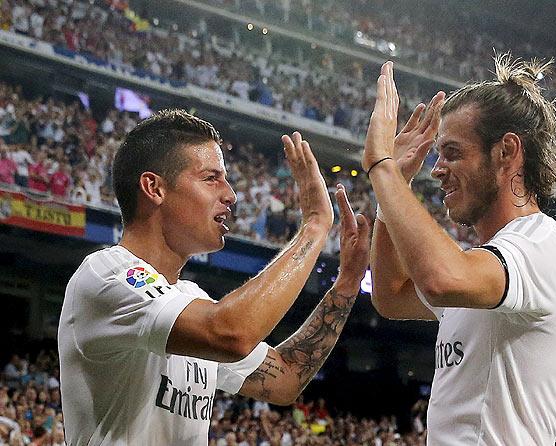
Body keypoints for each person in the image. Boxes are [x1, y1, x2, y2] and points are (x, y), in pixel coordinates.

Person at [58, 109, 370, 445]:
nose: (230, 195)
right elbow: (231, 333)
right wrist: (314, 226)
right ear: (155, 188)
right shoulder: (108, 275)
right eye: (211, 178)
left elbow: (287, 379)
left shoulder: (192, 301)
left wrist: (347, 284)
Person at [364, 58, 556, 444]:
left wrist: (382, 168)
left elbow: (440, 279)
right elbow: (390, 296)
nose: (437, 168)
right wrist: (394, 183)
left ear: (506, 151)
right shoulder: (483, 265)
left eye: (452, 152)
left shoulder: (544, 245)